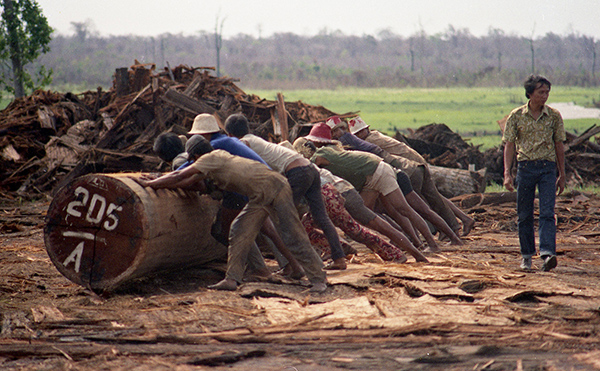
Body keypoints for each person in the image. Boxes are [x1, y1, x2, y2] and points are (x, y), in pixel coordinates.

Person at [132, 136, 328, 292]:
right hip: (260, 194)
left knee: (292, 235)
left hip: (275, 188)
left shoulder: (210, 159)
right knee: (239, 229)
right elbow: (186, 181)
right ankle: (232, 279)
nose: (191, 162)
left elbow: (179, 175)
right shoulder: (216, 157)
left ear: (194, 156)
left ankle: (318, 279)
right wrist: (159, 183)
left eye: (191, 159)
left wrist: (150, 184)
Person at [225, 113, 348, 270]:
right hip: (310, 170)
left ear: (229, 134)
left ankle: (298, 264)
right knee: (321, 217)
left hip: (297, 172)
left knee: (283, 220)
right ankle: (339, 259)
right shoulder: (256, 139)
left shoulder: (244, 143)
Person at [326, 118, 464, 245]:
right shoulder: (368, 137)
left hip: (402, 170)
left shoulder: (347, 141)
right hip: (413, 166)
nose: (336, 135)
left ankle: (426, 237)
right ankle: (451, 230)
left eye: (335, 131)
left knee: (411, 209)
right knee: (427, 202)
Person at [503, 75, 566, 272]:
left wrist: (561, 174)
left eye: (547, 92)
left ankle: (548, 253)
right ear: (530, 94)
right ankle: (527, 256)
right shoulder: (516, 115)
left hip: (547, 168)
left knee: (547, 213)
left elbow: (559, 145)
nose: (545, 96)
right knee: (524, 215)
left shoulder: (554, 116)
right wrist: (507, 173)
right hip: (525, 168)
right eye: (541, 92)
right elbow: (510, 145)